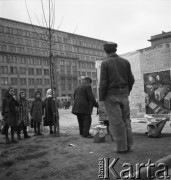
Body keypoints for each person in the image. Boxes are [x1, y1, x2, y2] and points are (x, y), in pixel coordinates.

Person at [99, 42, 135, 153]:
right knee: (126, 120)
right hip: (124, 94)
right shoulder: (125, 62)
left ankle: (121, 147)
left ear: (105, 51)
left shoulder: (105, 63)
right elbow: (131, 79)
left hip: (111, 95)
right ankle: (128, 145)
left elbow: (103, 82)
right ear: (115, 49)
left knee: (116, 122)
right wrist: (127, 91)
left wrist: (102, 97)